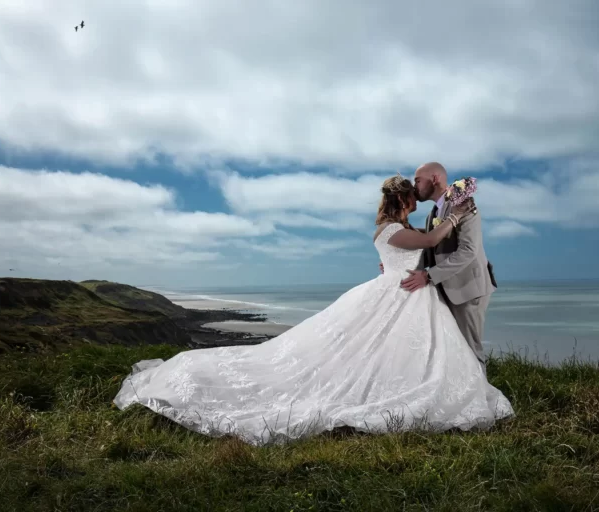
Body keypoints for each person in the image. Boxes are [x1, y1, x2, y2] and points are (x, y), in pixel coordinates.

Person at [113, 175, 514, 446]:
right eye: (413, 196)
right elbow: (430, 237)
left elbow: (415, 249)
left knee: (393, 354)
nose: (417, 200)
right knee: (373, 355)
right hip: (402, 293)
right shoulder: (395, 229)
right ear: (405, 200)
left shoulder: (391, 229)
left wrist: (448, 217)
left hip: (406, 291)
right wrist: (457, 214)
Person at [399, 162, 497, 376]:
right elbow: (431, 249)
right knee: (453, 349)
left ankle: (486, 404)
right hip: (446, 288)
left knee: (471, 349)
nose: (414, 186)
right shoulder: (432, 213)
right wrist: (399, 265)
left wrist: (428, 276)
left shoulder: (464, 204)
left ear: (434, 178)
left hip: (467, 289)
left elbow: (468, 251)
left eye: (417, 180)